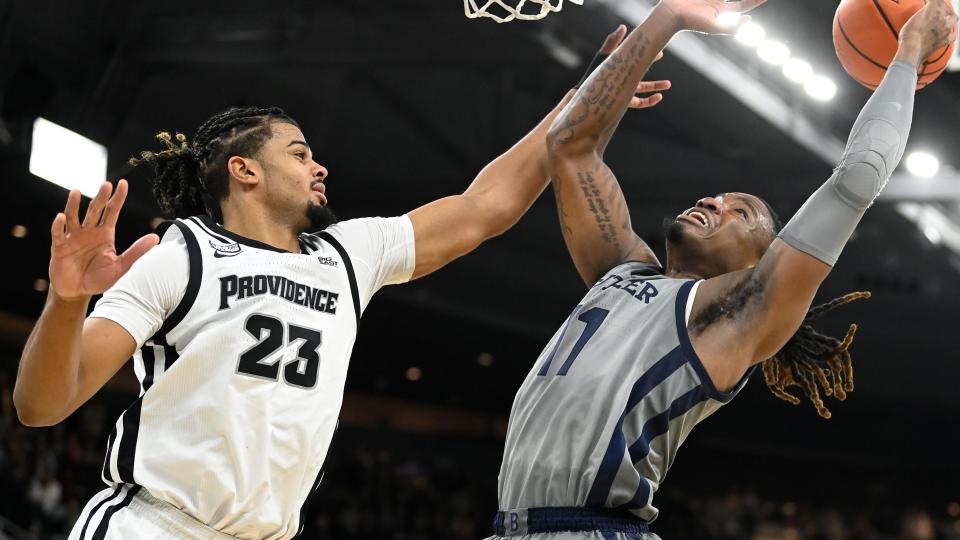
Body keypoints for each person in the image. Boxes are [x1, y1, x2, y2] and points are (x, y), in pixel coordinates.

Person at [12, 33, 670, 540]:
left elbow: (484, 206)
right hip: (153, 527)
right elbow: (43, 406)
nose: (319, 164)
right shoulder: (184, 253)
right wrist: (66, 304)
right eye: (298, 153)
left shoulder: (347, 254)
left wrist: (591, 91)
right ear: (243, 170)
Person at [491, 0, 957, 538]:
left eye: (742, 213)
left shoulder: (736, 313)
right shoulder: (622, 269)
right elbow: (569, 146)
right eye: (719, 196)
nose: (714, 201)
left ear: (760, 261)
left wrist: (907, 53)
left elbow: (859, 176)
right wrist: (667, 18)